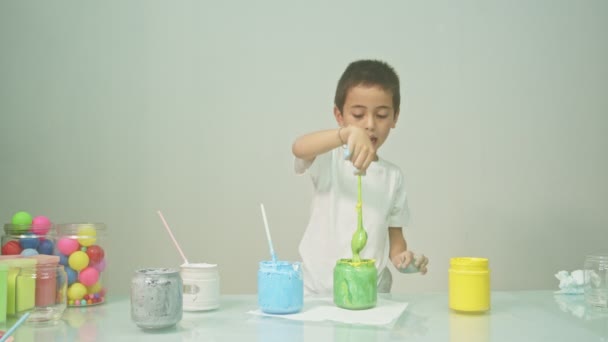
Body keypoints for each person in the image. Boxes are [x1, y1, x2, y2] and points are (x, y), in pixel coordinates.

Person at [292, 59, 429, 295]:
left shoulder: (392, 177)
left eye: (382, 115)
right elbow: (299, 148)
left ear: (395, 117)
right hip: (318, 292)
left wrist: (405, 260)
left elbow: (396, 243)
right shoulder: (329, 159)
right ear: (339, 115)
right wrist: (345, 135)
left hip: (371, 293)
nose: (369, 125)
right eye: (357, 115)